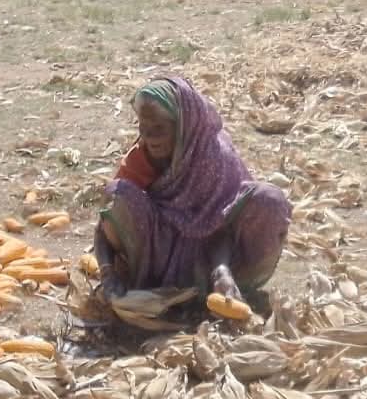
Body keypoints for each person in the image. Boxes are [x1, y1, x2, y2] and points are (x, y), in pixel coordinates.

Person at [94, 77, 291, 312]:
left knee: (269, 200)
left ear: (183, 126)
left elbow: (223, 225)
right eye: (144, 128)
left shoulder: (214, 159)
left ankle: (231, 286)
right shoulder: (142, 157)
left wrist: (221, 270)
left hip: (218, 256)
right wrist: (107, 273)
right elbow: (105, 223)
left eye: (159, 129)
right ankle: (152, 284)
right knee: (116, 194)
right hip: (159, 258)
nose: (150, 138)